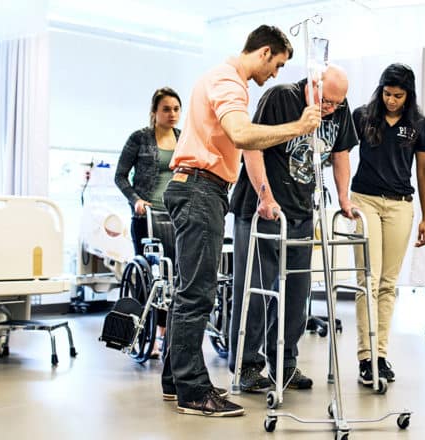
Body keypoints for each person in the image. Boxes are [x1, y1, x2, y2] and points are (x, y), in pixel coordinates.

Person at [159, 25, 321, 418]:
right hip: (201, 188)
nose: (276, 74)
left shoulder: (224, 80)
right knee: (198, 294)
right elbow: (241, 134)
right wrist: (299, 127)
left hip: (200, 187)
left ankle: (175, 379)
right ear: (264, 52)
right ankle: (193, 392)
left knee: (189, 291)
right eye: (278, 64)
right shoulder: (228, 81)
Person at [228, 64, 358, 393]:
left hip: (300, 211)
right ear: (313, 85)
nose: (329, 109)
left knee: (296, 294)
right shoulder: (280, 98)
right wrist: (265, 196)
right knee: (255, 291)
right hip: (262, 210)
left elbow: (340, 154)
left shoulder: (340, 110)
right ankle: (246, 365)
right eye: (325, 101)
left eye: (335, 104)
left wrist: (344, 197)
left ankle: (284, 364)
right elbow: (251, 145)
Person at [350, 63, 425, 386]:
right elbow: (341, 153)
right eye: (387, 94)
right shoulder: (363, 116)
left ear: (408, 96)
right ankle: (365, 357)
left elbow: (424, 171)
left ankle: (380, 355)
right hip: (365, 200)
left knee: (387, 283)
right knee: (366, 279)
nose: (391, 101)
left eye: (398, 96)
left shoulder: (420, 126)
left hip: (400, 205)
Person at [114, 87, 182, 357]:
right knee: (149, 278)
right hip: (147, 218)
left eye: (176, 109)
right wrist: (136, 200)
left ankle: (166, 334)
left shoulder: (183, 138)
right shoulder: (140, 138)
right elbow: (120, 176)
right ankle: (146, 335)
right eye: (166, 109)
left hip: (175, 217)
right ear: (154, 112)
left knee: (172, 277)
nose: (172, 114)